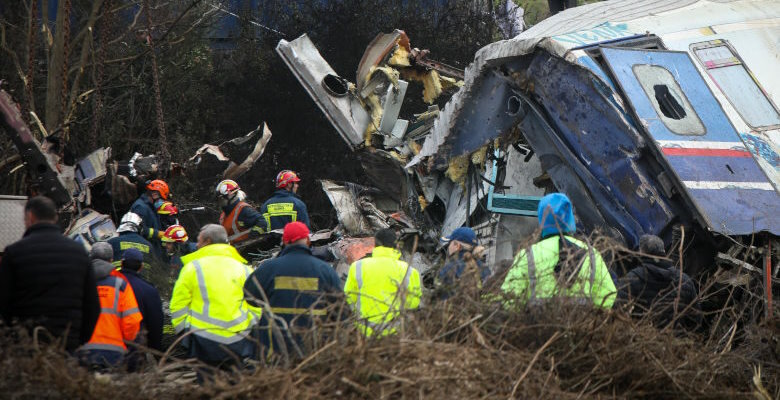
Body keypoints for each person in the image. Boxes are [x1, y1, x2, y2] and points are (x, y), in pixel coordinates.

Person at [0, 196, 100, 353]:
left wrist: (12, 338)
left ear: (30, 217)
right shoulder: (79, 253)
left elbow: (4, 303)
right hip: (66, 344)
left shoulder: (14, 253)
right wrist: (79, 340)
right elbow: (92, 305)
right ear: (55, 218)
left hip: (27, 345)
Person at [500, 193, 616, 308]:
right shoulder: (591, 254)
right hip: (581, 325)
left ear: (542, 218)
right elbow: (608, 296)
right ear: (570, 217)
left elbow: (509, 301)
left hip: (537, 325)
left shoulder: (528, 255)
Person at [244, 222, 342, 356]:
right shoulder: (325, 270)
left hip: (275, 349)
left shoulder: (268, 269)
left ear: (283, 241)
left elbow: (249, 297)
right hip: (315, 350)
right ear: (308, 241)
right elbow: (340, 311)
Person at [169, 224, 258, 367]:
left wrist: (184, 335)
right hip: (239, 341)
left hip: (203, 341)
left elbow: (178, 306)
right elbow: (256, 306)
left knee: (207, 386)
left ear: (208, 241)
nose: (196, 245)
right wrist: (251, 332)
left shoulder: (192, 268)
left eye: (199, 240)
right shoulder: (245, 269)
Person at [344, 228, 422, 337]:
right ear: (396, 245)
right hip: (396, 335)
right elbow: (413, 304)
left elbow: (349, 298)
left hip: (365, 333)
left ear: (375, 245)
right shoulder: (409, 271)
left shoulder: (357, 267)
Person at [77, 243, 142, 370]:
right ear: (111, 260)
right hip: (114, 353)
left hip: (84, 351)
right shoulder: (121, 285)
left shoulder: (79, 283)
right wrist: (127, 342)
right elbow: (132, 322)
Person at [616, 235, 701, 331]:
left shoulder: (632, 278)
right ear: (663, 252)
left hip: (641, 339)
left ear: (641, 252)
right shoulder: (685, 280)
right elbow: (695, 320)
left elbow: (617, 311)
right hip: (674, 342)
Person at [120, 248, 164, 353]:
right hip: (133, 348)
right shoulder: (149, 290)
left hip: (105, 342)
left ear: (121, 263)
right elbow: (155, 323)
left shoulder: (108, 283)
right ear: (141, 267)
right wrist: (155, 349)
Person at [436, 227, 491, 299]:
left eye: (450, 243)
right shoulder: (485, 269)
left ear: (457, 245)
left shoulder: (449, 270)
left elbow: (444, 304)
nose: (448, 247)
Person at [216, 179, 265, 244]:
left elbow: (262, 223)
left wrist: (252, 237)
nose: (220, 201)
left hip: (246, 249)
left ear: (231, 196)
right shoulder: (224, 214)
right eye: (219, 198)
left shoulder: (244, 210)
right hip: (231, 250)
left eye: (222, 197)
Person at [130, 179, 168, 250]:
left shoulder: (151, 207)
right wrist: (158, 233)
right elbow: (137, 229)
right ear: (154, 195)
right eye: (161, 199)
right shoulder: (140, 207)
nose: (162, 202)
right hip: (145, 248)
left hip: (153, 245)